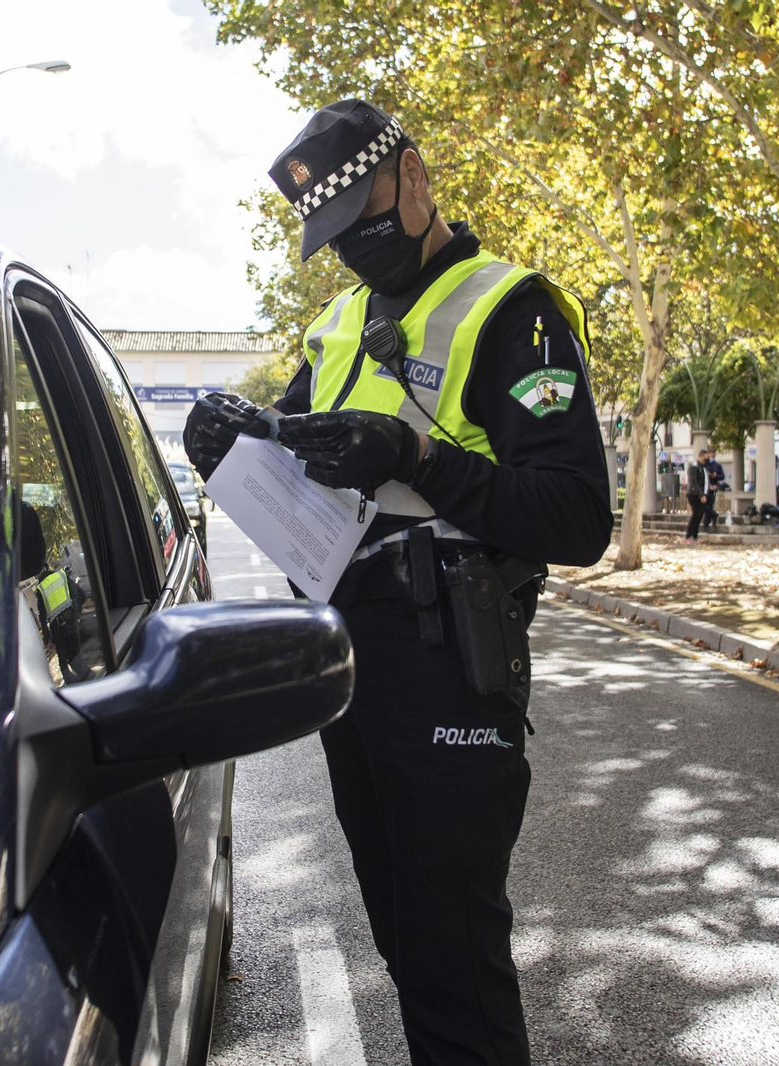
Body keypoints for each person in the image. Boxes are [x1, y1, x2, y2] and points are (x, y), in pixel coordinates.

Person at [184, 100, 612, 1066]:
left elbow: (578, 517)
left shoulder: (511, 310)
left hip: (448, 664)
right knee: (406, 945)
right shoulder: (337, 324)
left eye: (365, 224)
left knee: (454, 954)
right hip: (352, 671)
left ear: (412, 178)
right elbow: (288, 458)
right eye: (333, 240)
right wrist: (229, 442)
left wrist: (416, 453)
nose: (355, 253)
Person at [686, 451, 712, 543]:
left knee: (699, 515)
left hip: (701, 494)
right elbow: (693, 482)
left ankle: (694, 536)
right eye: (706, 456)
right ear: (701, 456)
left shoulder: (703, 468)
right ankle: (689, 536)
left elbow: (704, 482)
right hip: (694, 494)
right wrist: (701, 494)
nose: (708, 458)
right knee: (696, 515)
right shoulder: (694, 467)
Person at [701, 451, 726, 530]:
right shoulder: (704, 465)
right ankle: (714, 514)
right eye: (711, 455)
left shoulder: (717, 465)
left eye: (714, 455)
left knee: (710, 505)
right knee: (703, 506)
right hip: (704, 487)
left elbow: (722, 476)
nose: (712, 457)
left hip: (713, 487)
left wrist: (715, 476)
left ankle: (706, 524)